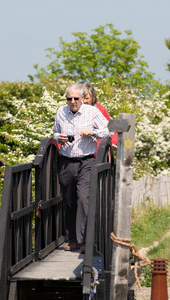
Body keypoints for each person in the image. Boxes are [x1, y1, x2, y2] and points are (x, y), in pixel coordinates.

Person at [53, 83, 112, 252]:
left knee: (83, 198)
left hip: (86, 161)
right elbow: (54, 133)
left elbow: (109, 130)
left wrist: (92, 132)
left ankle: (85, 240)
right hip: (66, 161)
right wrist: (59, 137)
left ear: (81, 98)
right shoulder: (61, 112)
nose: (72, 101)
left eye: (76, 98)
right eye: (69, 98)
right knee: (69, 200)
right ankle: (72, 239)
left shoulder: (92, 112)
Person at [82, 83, 118, 151]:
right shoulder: (75, 110)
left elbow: (110, 128)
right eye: (82, 98)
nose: (84, 101)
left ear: (93, 98)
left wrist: (113, 142)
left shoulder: (100, 109)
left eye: (87, 98)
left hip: (99, 150)